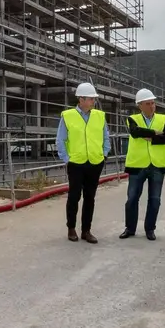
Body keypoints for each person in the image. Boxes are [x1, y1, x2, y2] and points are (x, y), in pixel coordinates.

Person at [56, 82, 111, 243]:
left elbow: (106, 137)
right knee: (74, 196)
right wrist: (66, 159)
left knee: (90, 197)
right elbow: (61, 140)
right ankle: (71, 228)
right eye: (91, 98)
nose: (93, 101)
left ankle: (86, 230)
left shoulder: (99, 116)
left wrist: (104, 154)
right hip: (76, 163)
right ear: (81, 99)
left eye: (94, 98)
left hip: (95, 162)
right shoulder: (68, 116)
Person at [120, 88, 165, 241]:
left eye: (153, 103)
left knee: (155, 199)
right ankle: (130, 228)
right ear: (140, 105)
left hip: (157, 165)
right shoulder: (132, 118)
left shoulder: (163, 119)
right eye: (148, 103)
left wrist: (152, 138)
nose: (152, 106)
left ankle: (150, 229)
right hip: (137, 165)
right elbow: (135, 132)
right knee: (132, 198)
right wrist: (155, 133)